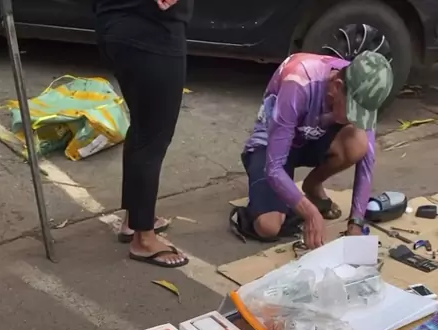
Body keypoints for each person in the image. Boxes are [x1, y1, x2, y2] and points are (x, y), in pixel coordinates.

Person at [232, 51, 393, 250]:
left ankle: (311, 186)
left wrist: (356, 223)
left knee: (358, 142)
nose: (353, 119)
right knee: (268, 227)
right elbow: (274, 168)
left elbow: (367, 162)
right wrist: (309, 213)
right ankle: (264, 208)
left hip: (311, 138)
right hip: (272, 146)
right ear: (337, 87)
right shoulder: (298, 81)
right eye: (352, 111)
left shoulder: (363, 87)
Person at [94, 0, 193, 268]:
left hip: (119, 25)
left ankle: (136, 220)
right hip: (150, 30)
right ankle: (144, 239)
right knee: (152, 136)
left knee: (143, 128)